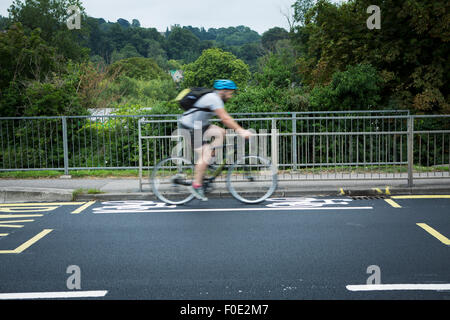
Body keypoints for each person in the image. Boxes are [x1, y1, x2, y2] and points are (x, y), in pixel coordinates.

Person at [179, 79, 252, 201]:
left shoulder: (214, 98)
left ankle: (209, 161)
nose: (231, 96)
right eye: (230, 93)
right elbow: (225, 119)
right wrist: (241, 131)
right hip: (190, 127)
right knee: (205, 153)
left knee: (221, 132)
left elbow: (225, 120)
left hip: (201, 125)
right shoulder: (214, 99)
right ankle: (196, 185)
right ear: (223, 91)